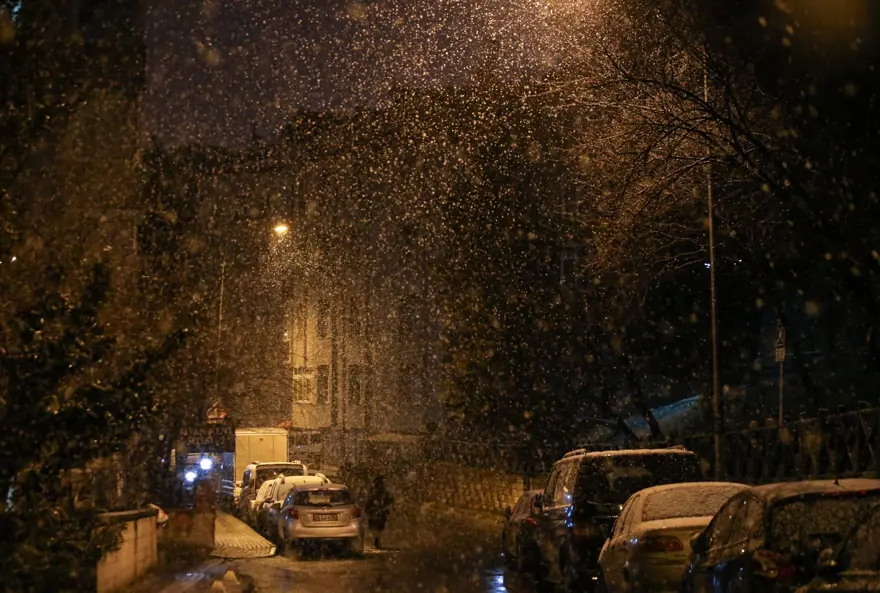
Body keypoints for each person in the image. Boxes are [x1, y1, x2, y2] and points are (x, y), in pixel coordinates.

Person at [365, 475, 394, 549]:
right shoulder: (373, 492)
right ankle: (376, 539)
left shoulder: (385, 492)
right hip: (374, 512)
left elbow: (390, 501)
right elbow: (368, 502)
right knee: (374, 526)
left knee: (379, 526)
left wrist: (385, 509)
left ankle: (377, 539)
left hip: (381, 512)